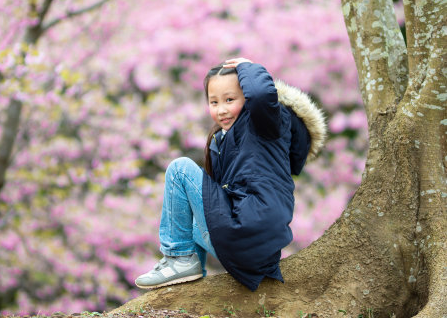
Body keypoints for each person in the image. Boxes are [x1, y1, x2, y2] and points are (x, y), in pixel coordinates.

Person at [135, 57, 326, 291]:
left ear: (247, 99)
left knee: (179, 170)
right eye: (214, 102)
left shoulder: (266, 123)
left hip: (248, 229)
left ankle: (181, 259)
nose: (221, 109)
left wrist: (248, 66)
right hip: (252, 241)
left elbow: (260, 95)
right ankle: (185, 276)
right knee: (191, 225)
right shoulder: (225, 141)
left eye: (230, 100)